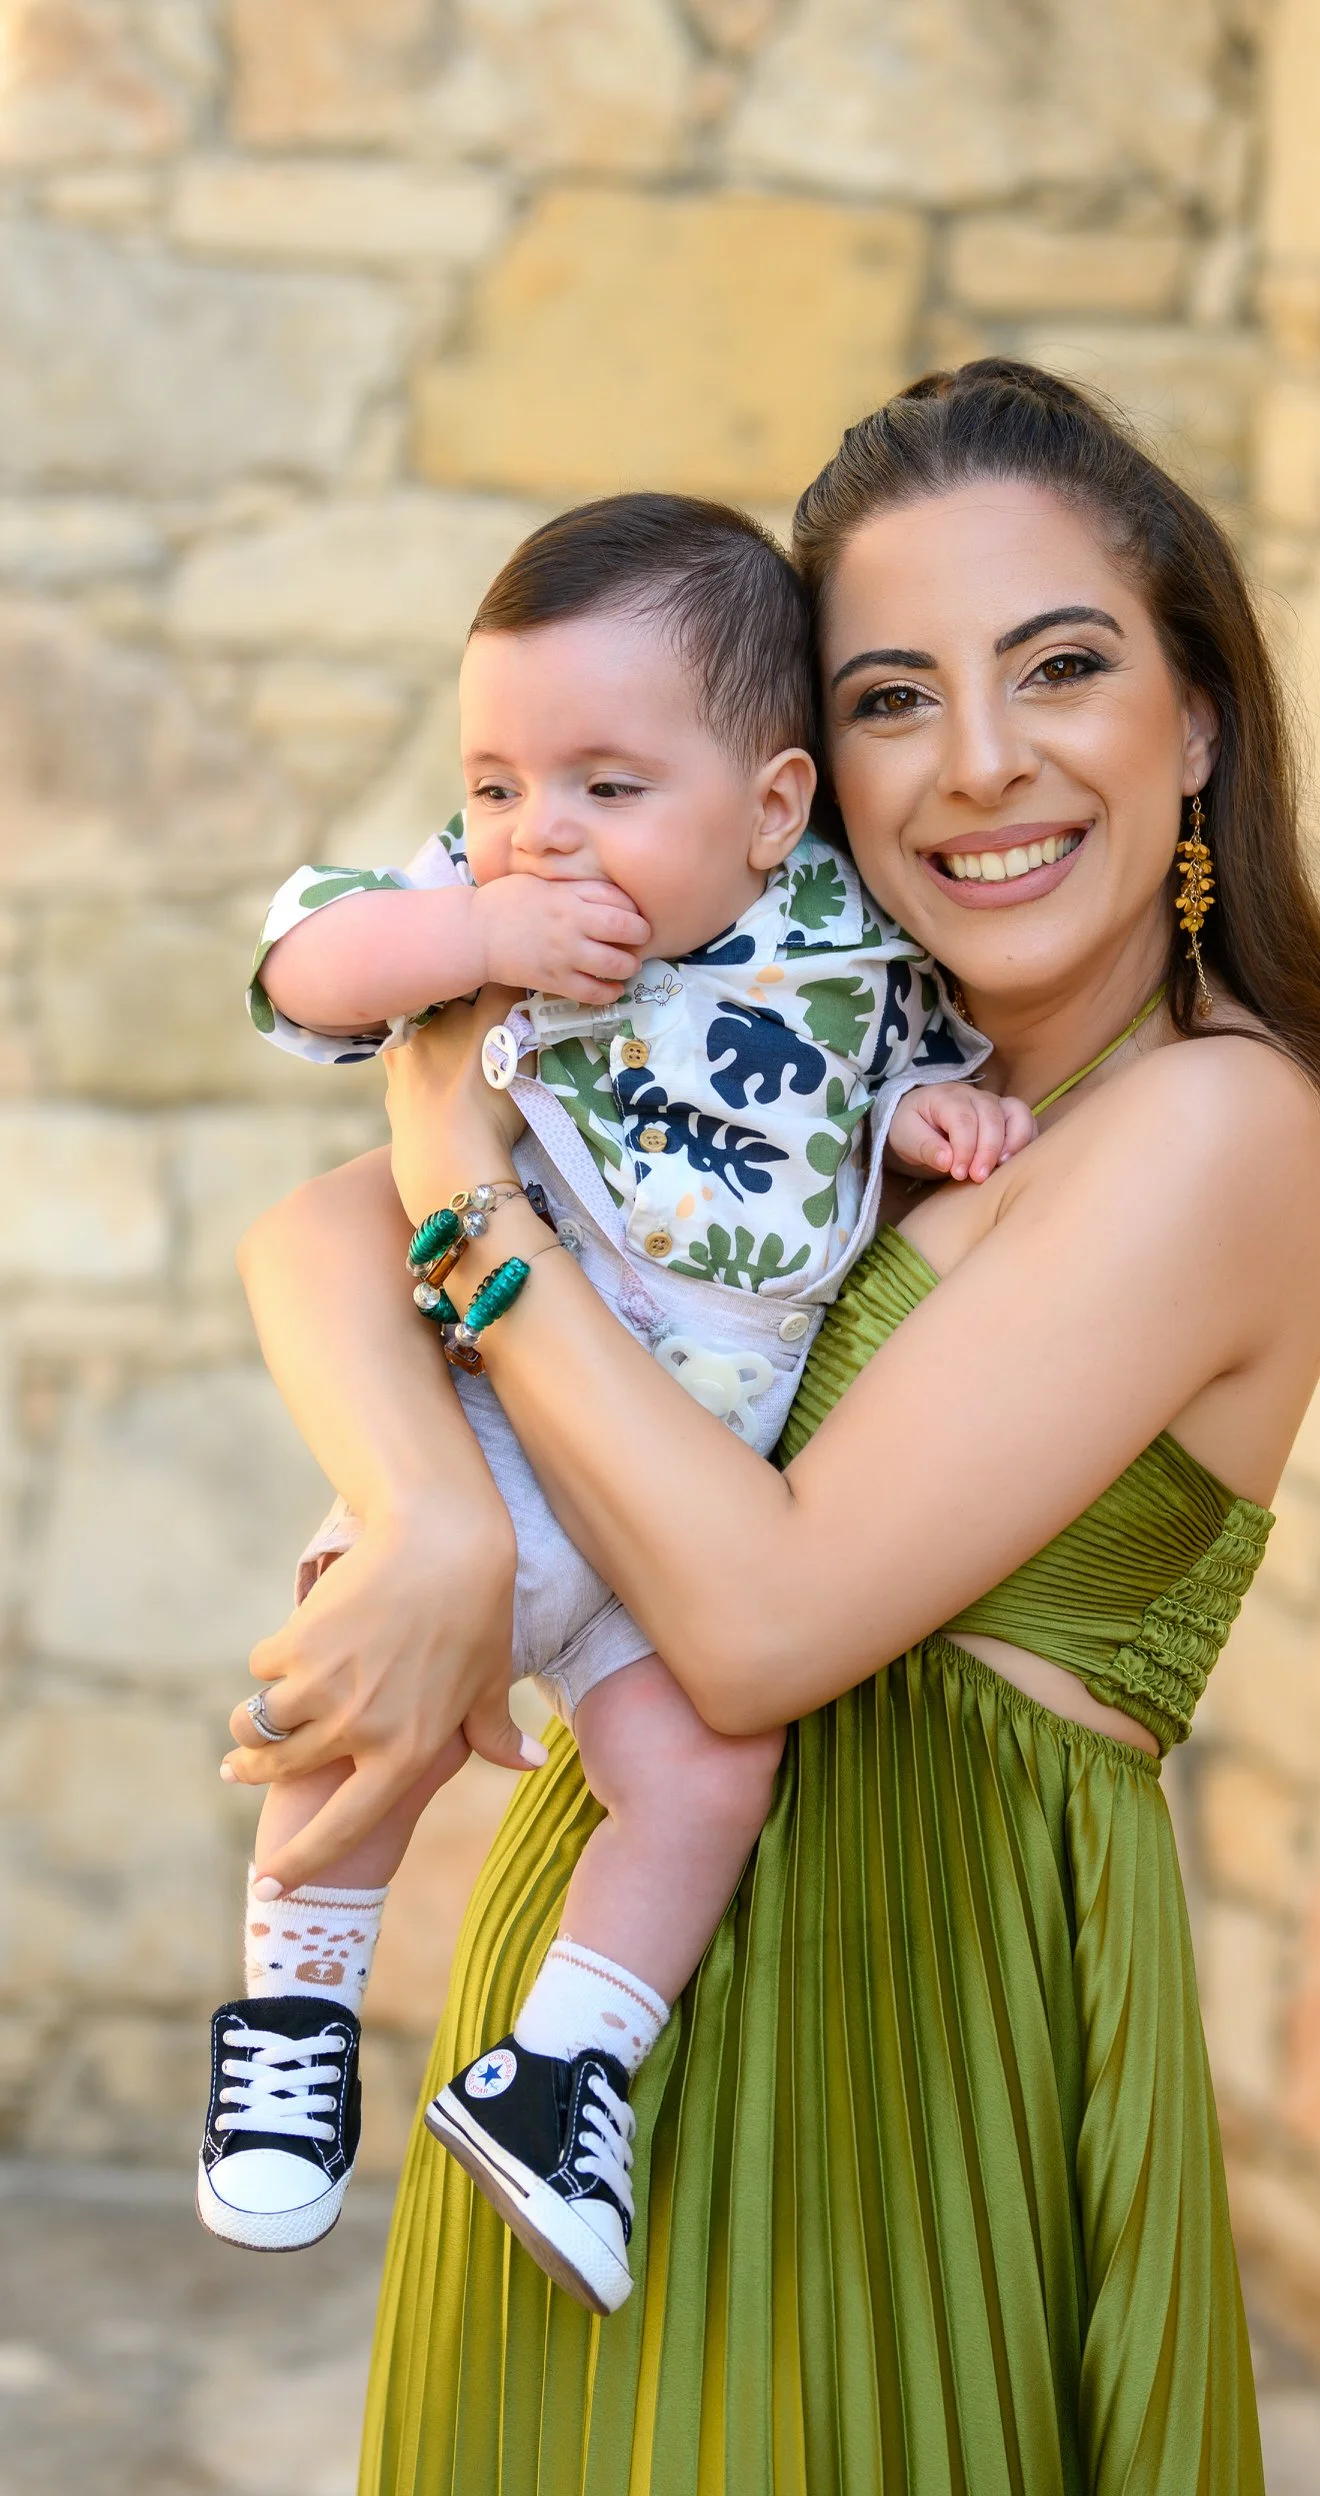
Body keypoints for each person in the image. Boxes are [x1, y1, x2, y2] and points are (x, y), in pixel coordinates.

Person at [228, 360, 1320, 2496]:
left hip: (906, 2050)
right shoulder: (809, 1063)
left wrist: (459, 1162)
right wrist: (428, 1522)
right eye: (890, 695)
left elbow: (761, 1620)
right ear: (801, 775)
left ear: (1198, 714)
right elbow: (313, 1231)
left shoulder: (1214, 1124)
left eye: (1058, 664)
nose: (977, 764)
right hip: (586, 2055)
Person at [198, 494, 1028, 2296]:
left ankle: (565, 2062)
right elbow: (297, 974)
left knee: (709, 1776)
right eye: (497, 781)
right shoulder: (481, 911)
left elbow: (818, 1124)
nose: (537, 833)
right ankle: (292, 2029)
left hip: (676, 1508)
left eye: (603, 787)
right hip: (488, 1436)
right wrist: (462, 947)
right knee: (359, 1720)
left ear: (775, 809)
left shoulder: (849, 950)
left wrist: (914, 1125)